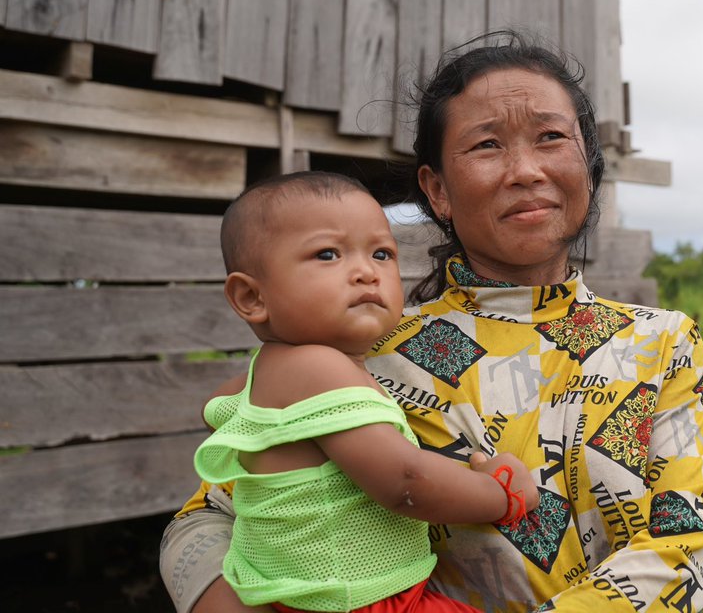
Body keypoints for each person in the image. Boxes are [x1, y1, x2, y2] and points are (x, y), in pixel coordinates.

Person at [161, 30, 703, 613]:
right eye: (487, 146)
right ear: (437, 190)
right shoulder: (363, 350)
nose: (525, 170)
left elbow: (680, 545)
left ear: (588, 163)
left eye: (551, 137)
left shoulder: (660, 344)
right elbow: (210, 514)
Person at [193, 171, 538, 612]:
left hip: (301, 596)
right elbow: (405, 483)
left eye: (381, 253)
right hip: (360, 600)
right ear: (251, 297)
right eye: (327, 254)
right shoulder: (317, 367)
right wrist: (504, 495)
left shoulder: (270, 373)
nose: (365, 273)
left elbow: (214, 409)